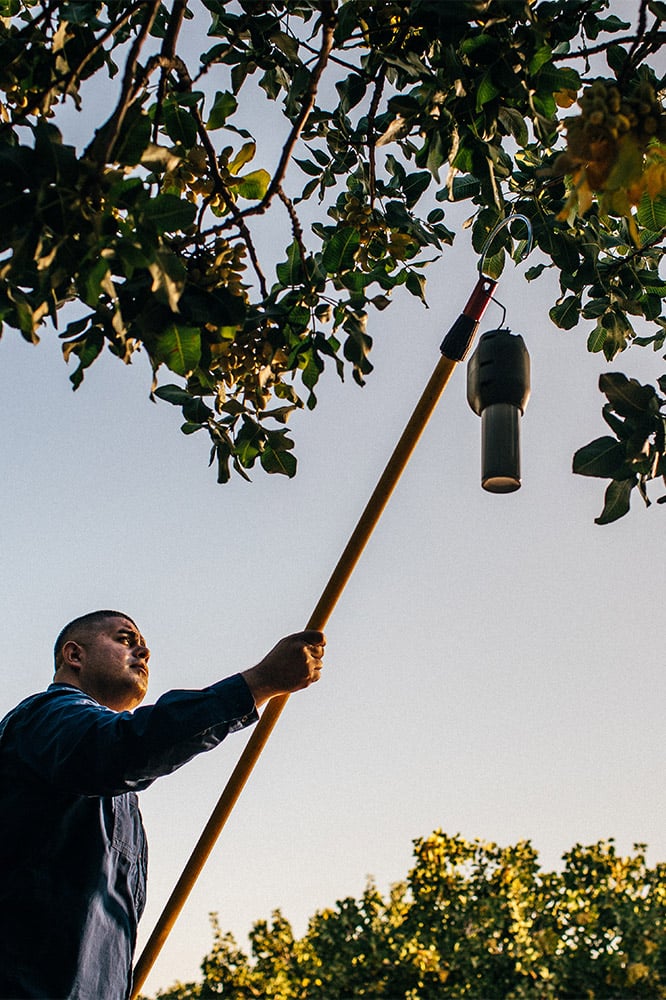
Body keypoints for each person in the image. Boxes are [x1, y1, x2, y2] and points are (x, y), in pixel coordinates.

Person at [0, 610, 325, 1000]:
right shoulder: (45, 719)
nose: (143, 650)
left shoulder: (118, 797)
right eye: (124, 639)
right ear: (74, 655)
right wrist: (256, 683)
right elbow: (127, 747)